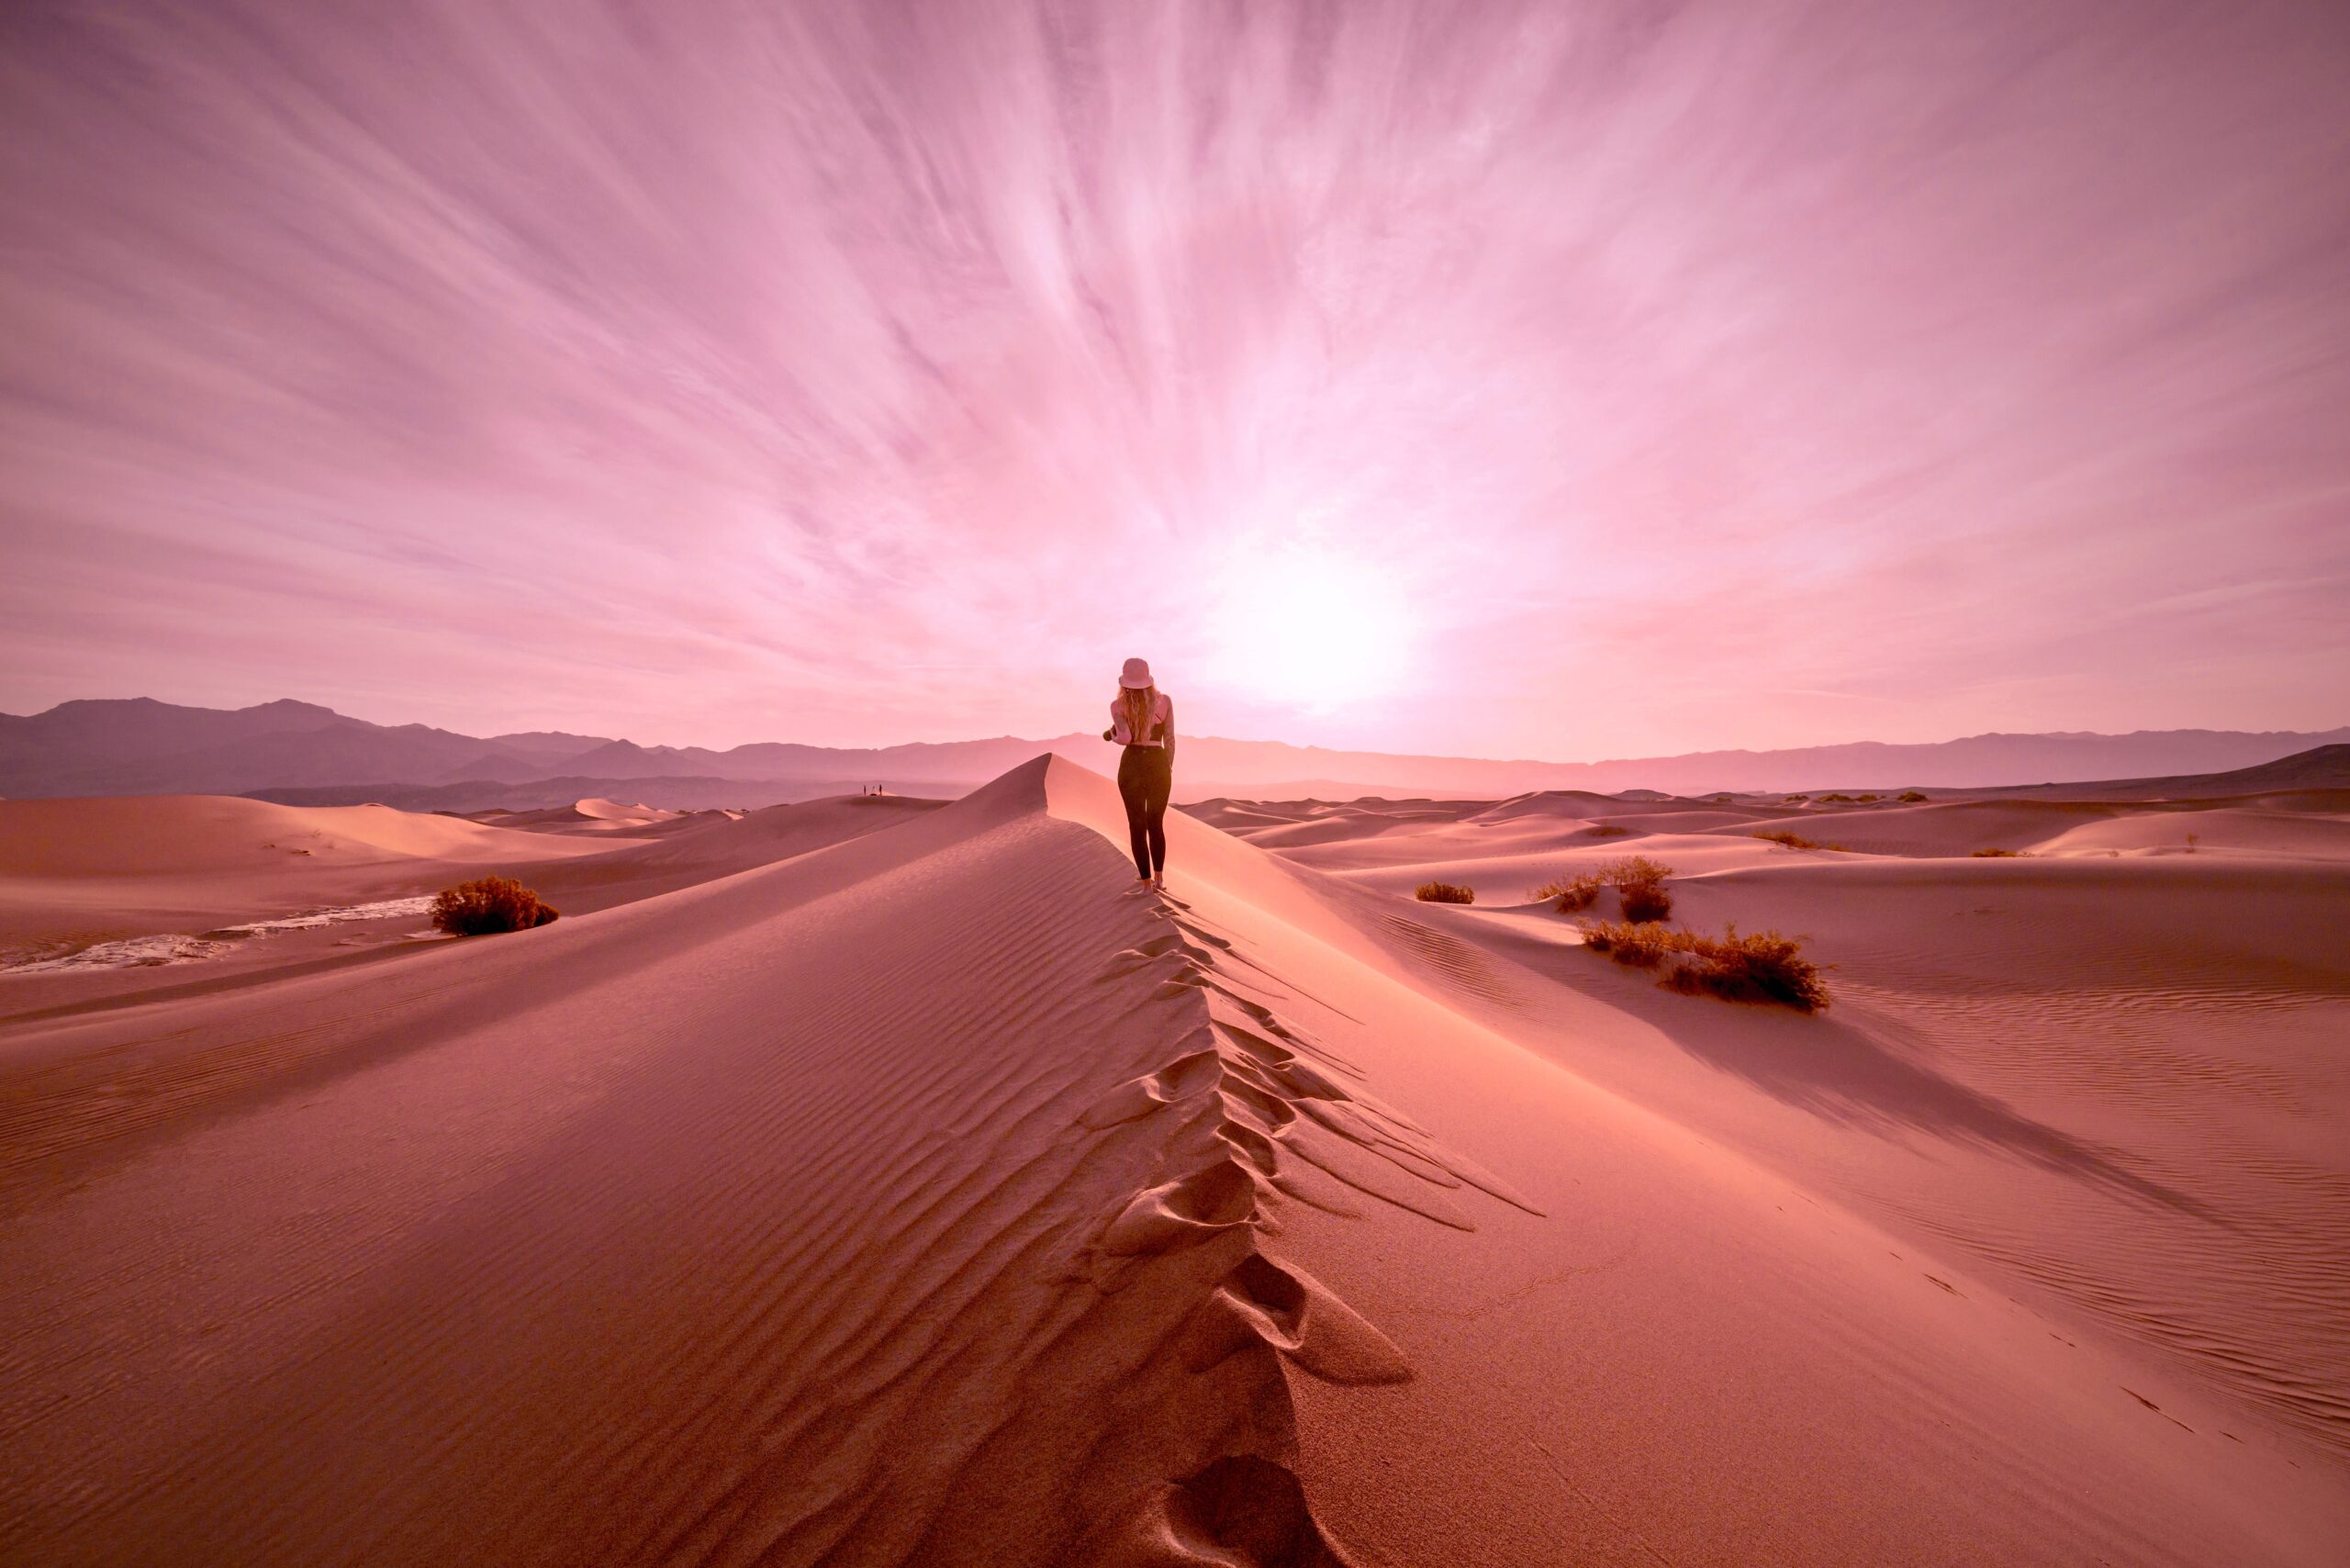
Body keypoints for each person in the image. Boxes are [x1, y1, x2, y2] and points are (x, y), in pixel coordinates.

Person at [1102, 656, 1175, 890]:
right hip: (1158, 763)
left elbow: (1125, 738)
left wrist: (1113, 735)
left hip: (1132, 764)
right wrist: (1167, 766)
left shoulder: (1117, 706)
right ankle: (1160, 879)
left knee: (1137, 825)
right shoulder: (1164, 701)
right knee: (1156, 823)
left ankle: (1146, 884)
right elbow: (1170, 739)